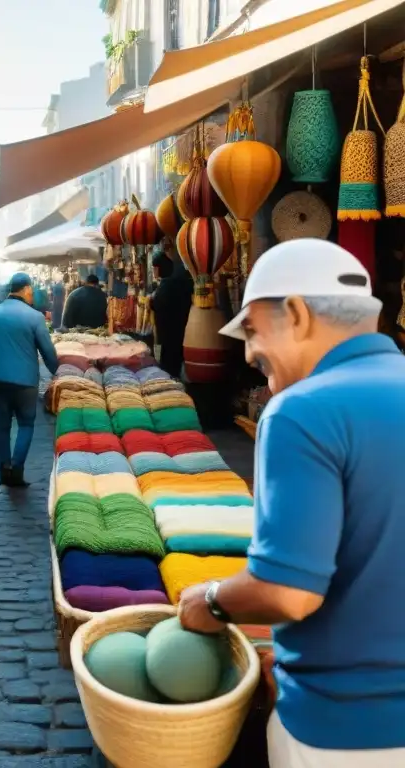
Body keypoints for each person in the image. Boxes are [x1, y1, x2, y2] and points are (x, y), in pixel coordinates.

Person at [177, 239, 405, 766]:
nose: (250, 354)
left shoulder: (299, 411)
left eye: (253, 331)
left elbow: (287, 593)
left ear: (298, 314)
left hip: (345, 731)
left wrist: (209, 601)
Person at [0, 272, 59, 486]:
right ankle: (17, 468)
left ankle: (4, 469)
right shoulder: (35, 317)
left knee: (2, 425)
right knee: (26, 424)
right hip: (25, 381)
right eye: (31, 291)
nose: (32, 294)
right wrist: (57, 371)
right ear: (26, 289)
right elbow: (47, 352)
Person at [149, 249, 193, 378]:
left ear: (158, 268)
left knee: (168, 368)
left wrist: (151, 302)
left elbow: (160, 305)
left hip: (170, 334)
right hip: (180, 332)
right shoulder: (179, 282)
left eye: (154, 268)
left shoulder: (167, 286)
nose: (154, 271)